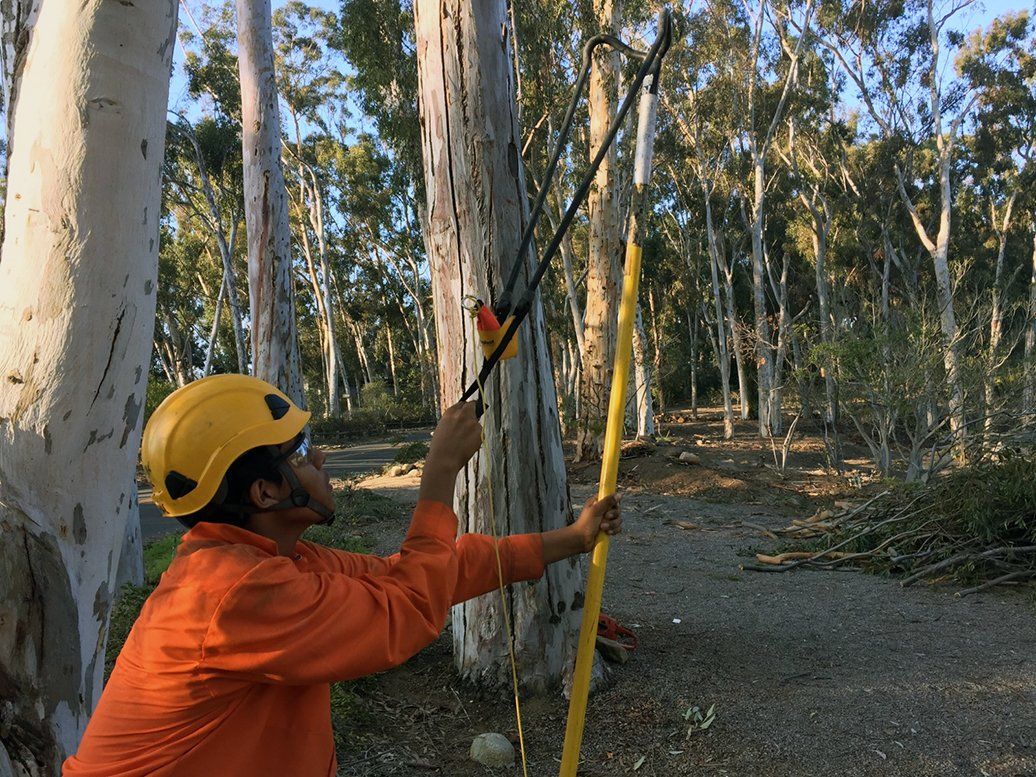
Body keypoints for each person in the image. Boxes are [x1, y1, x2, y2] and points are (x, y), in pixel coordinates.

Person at [63, 373, 621, 776]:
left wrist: (570, 540)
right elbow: (407, 614)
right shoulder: (231, 594)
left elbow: (420, 575)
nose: (323, 457)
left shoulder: (274, 564)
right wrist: (440, 475)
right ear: (265, 491)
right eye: (301, 450)